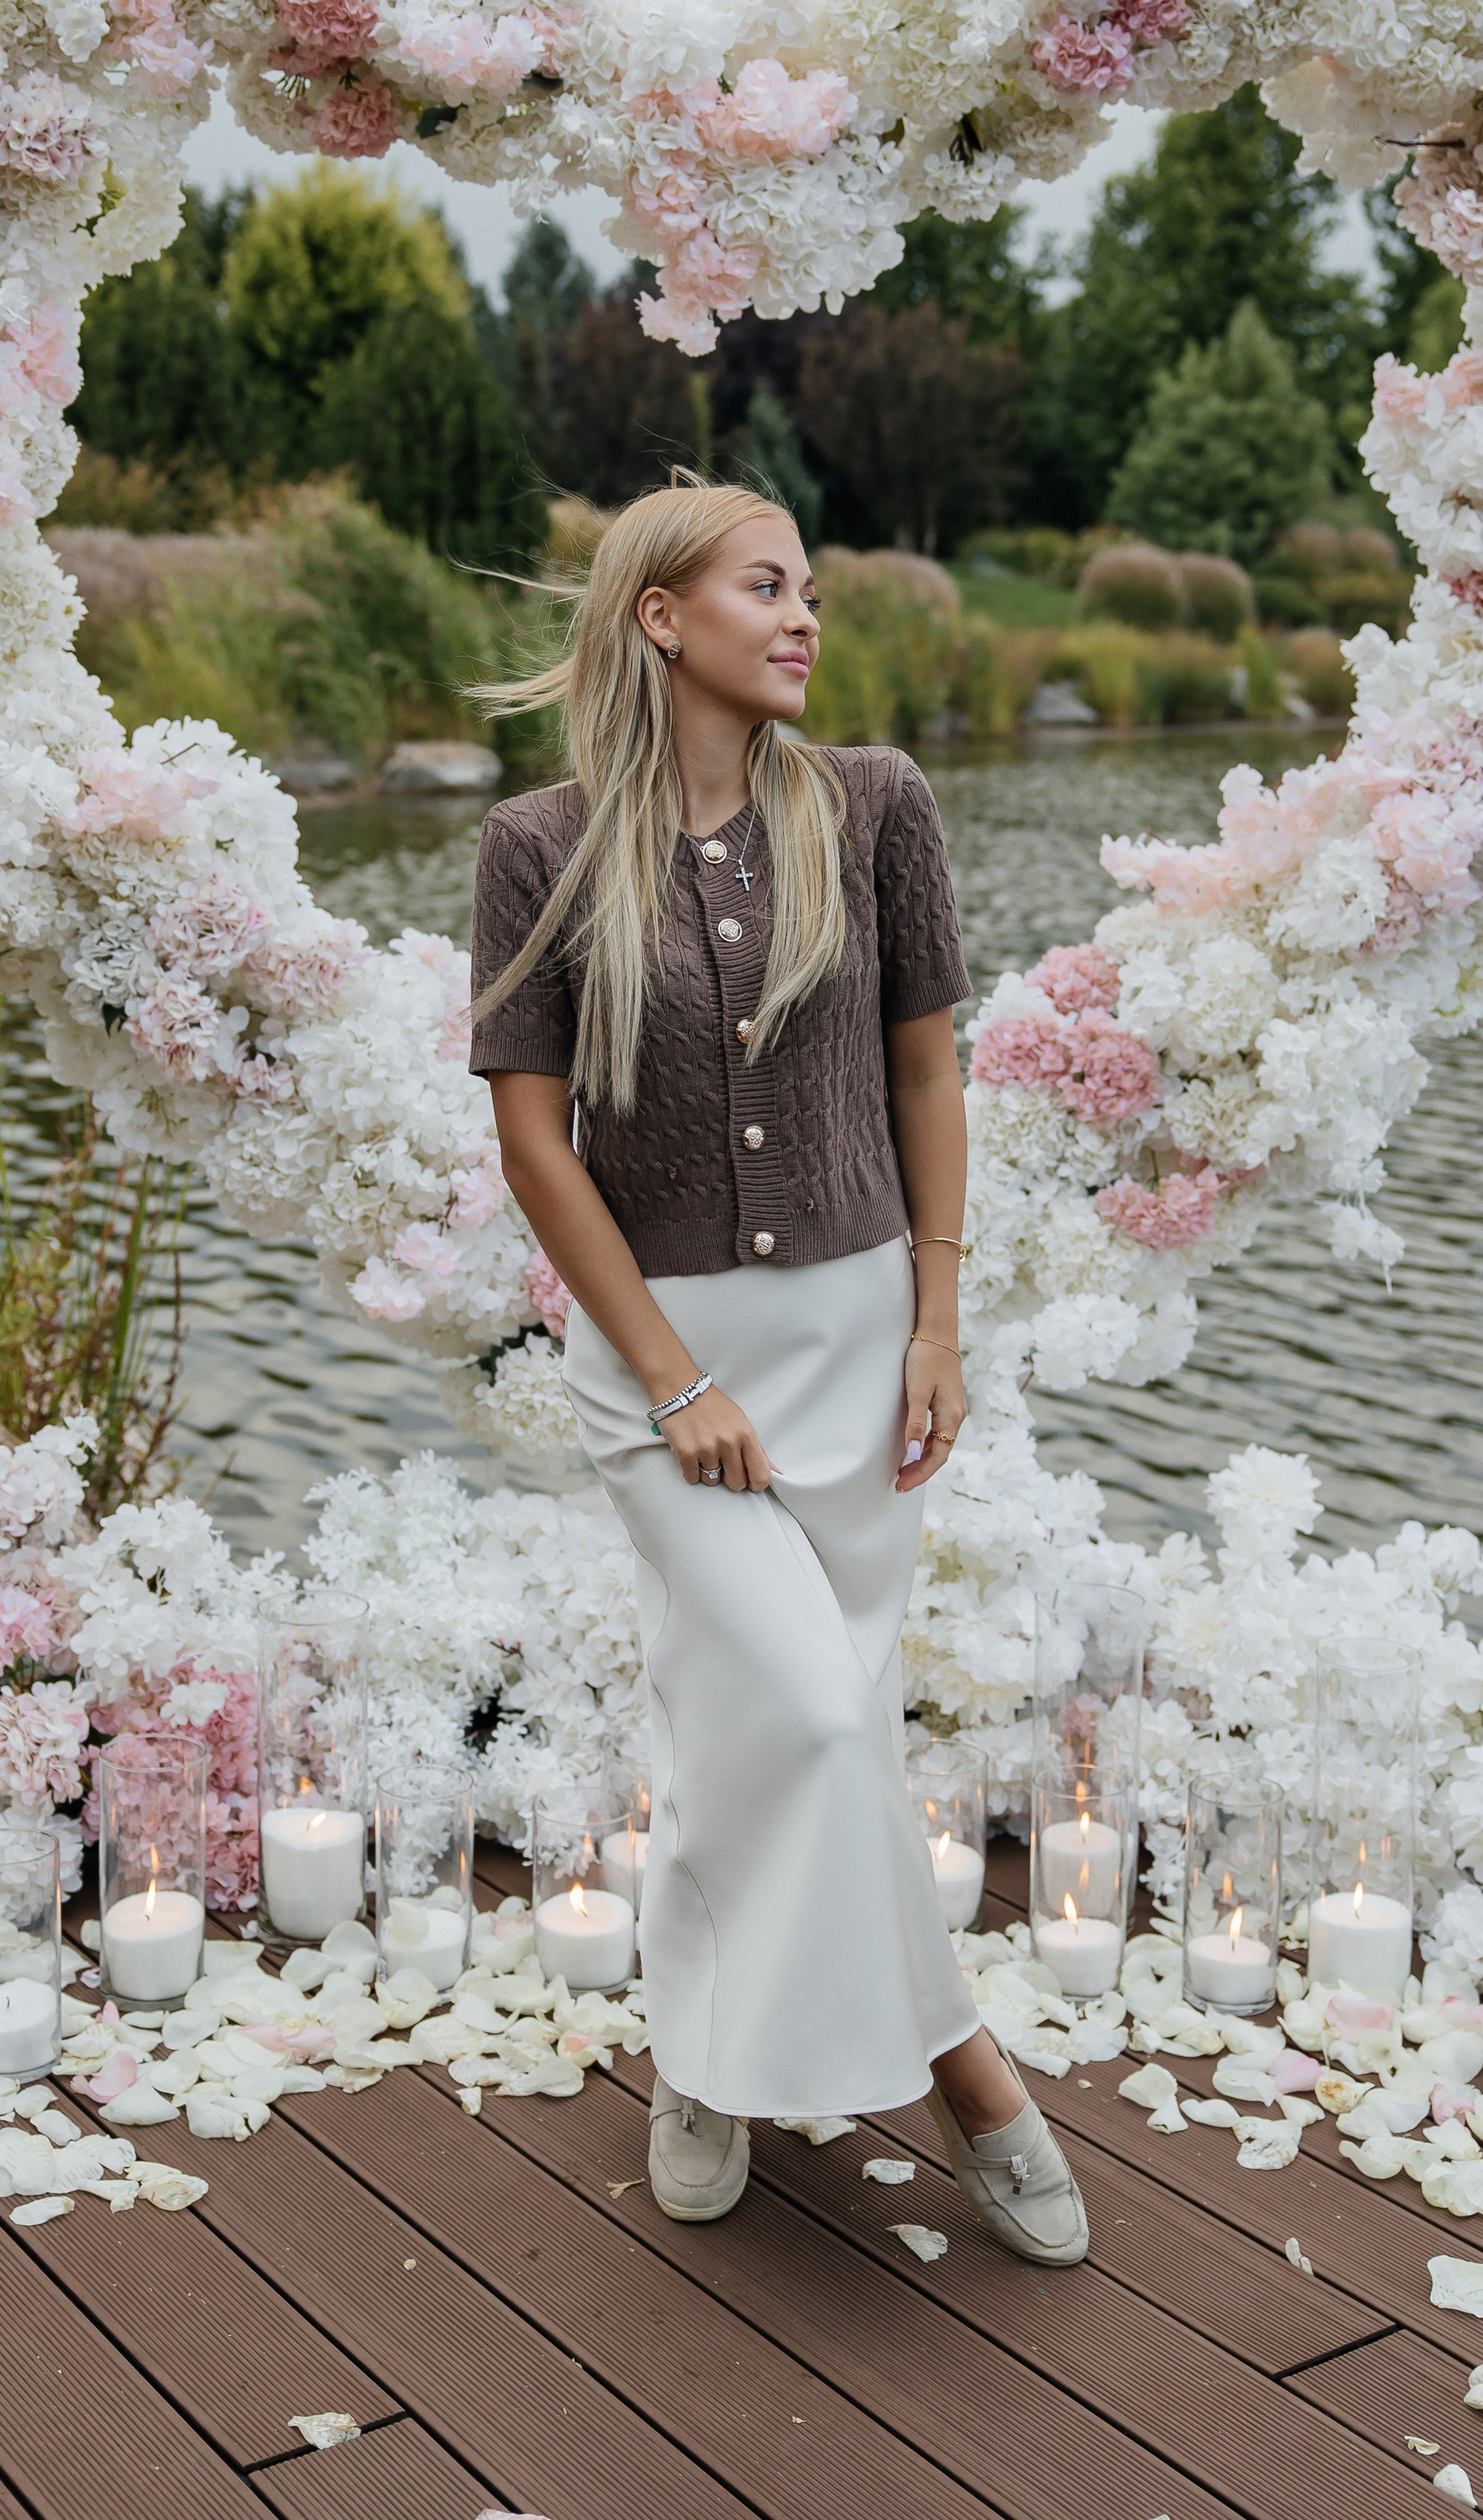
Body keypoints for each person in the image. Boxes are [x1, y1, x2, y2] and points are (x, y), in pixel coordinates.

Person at [466, 473, 1088, 2268]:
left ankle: (699, 2056)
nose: (805, 613)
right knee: (808, 1718)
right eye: (766, 584)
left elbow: (924, 1084)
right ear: (661, 615)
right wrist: (670, 1381)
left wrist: (938, 1322)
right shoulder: (540, 844)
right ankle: (972, 2072)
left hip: (852, 1336)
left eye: (809, 585)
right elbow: (536, 1146)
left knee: (753, 1730)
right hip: (664, 1361)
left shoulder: (875, 808)